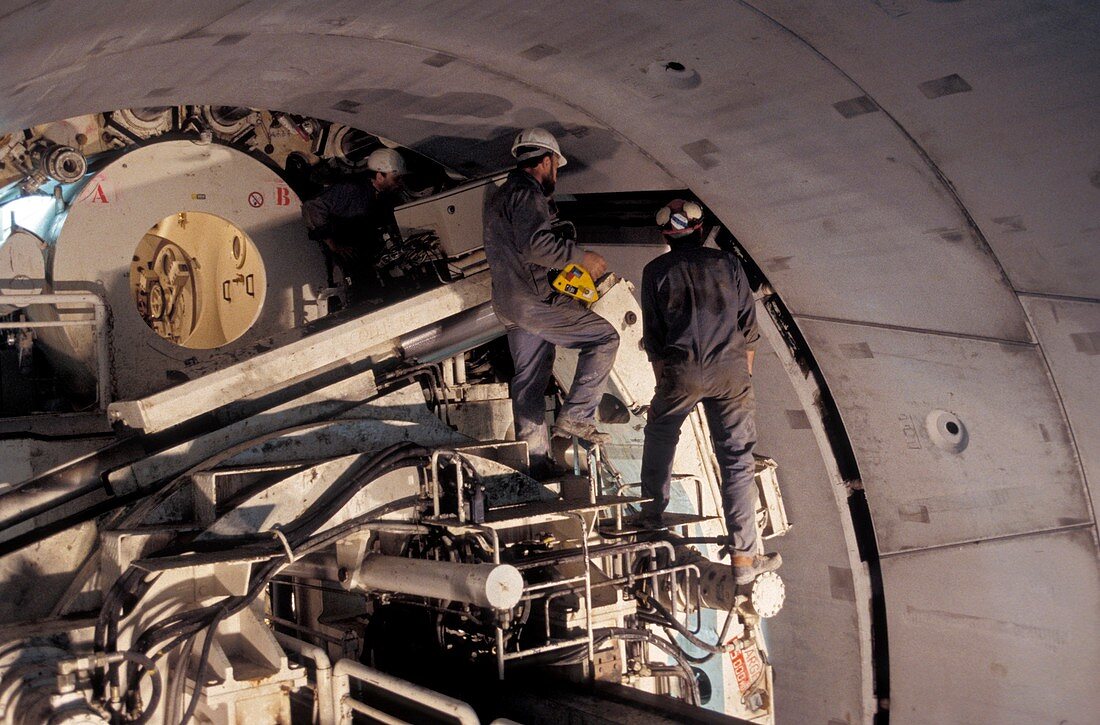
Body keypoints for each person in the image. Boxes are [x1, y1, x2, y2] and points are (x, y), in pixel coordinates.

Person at [639, 199, 781, 585]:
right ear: (701, 231)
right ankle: (743, 559)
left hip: (680, 370)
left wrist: (665, 385)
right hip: (732, 371)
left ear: (666, 236)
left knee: (661, 435)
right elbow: (749, 328)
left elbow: (654, 339)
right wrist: (741, 376)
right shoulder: (728, 265)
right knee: (737, 460)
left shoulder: (654, 271)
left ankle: (651, 519)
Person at [483, 128, 619, 478]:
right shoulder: (527, 194)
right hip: (533, 301)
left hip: (508, 303)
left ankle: (536, 464)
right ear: (546, 162)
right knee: (604, 338)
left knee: (528, 383)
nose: (555, 174)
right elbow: (536, 247)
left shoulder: (498, 197)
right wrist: (579, 257)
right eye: (555, 167)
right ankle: (577, 417)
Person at [302, 147, 406, 302]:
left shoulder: (382, 197)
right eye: (396, 178)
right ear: (379, 176)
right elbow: (313, 207)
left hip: (366, 256)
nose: (400, 183)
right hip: (348, 257)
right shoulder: (351, 189)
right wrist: (332, 245)